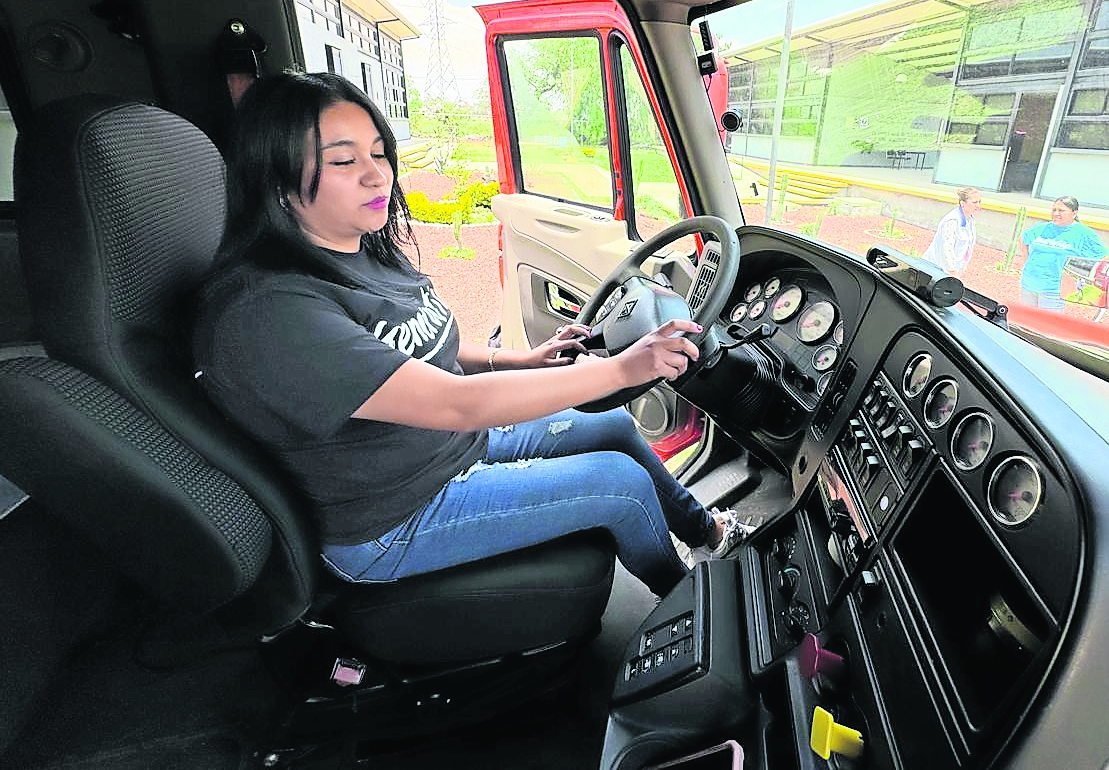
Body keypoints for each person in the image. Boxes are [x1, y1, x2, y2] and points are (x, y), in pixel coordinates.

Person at [192, 71, 750, 599]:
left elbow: (428, 347)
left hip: (447, 450)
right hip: (393, 517)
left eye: (379, 154)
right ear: (277, 177)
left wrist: (526, 362)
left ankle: (708, 534)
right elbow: (457, 403)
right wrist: (626, 368)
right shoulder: (271, 312)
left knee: (613, 425)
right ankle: (686, 600)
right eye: (343, 161)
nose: (376, 174)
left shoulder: (360, 249)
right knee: (618, 483)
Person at [1018, 196, 1109, 311]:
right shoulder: (1042, 228)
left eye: (1061, 210)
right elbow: (1023, 239)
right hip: (1028, 285)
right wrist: (1027, 262)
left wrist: (1080, 279)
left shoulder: (1084, 234)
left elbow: (1103, 258)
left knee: (1047, 325)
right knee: (1027, 322)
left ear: (1074, 213)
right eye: (1054, 210)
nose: (1056, 213)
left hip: (1054, 291)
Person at [922, 187, 982, 275]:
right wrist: (952, 271)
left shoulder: (970, 219)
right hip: (935, 269)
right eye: (974, 202)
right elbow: (947, 248)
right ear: (962, 203)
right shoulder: (952, 221)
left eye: (979, 202)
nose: (978, 206)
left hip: (950, 270)